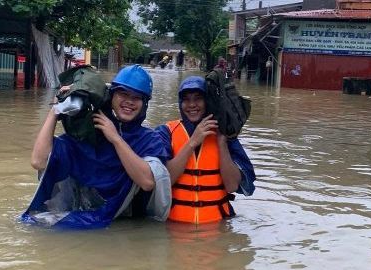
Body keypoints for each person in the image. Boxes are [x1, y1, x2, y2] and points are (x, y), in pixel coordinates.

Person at [21, 65, 171, 229]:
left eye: (136, 97)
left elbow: (148, 181)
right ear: (111, 96)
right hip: (81, 219)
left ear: (144, 103)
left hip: (124, 225)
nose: (129, 101)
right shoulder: (89, 133)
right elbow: (38, 161)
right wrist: (56, 109)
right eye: (123, 94)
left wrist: (115, 139)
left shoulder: (149, 139)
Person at [156, 76, 255, 224]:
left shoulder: (225, 134)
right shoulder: (166, 132)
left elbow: (232, 186)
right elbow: (165, 181)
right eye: (186, 99)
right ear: (180, 103)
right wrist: (193, 142)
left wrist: (222, 141)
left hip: (217, 227)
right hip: (175, 227)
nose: (192, 105)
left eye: (198, 98)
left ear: (208, 102)